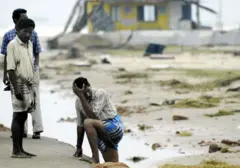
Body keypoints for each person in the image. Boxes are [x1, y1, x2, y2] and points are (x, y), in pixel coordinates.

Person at [1, 8, 43, 139]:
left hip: (32, 72)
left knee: (34, 100)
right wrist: (5, 75)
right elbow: (7, 57)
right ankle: (22, 131)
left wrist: (35, 67)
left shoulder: (32, 34)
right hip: (16, 74)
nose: (25, 20)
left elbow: (37, 51)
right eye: (22, 18)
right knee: (20, 104)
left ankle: (37, 129)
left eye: (26, 17)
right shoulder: (9, 36)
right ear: (15, 20)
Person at [72, 77, 124, 164]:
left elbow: (93, 115)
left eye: (87, 90)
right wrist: (78, 147)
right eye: (83, 93)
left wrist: (82, 95)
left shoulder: (100, 93)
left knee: (88, 122)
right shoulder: (78, 102)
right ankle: (108, 151)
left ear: (89, 86)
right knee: (112, 164)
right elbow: (80, 126)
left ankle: (95, 158)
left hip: (114, 126)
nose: (87, 94)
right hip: (100, 132)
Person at [7, 18, 38, 158]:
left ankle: (21, 148)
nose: (28, 35)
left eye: (30, 32)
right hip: (18, 83)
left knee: (24, 115)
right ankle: (15, 150)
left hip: (29, 84)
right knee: (18, 116)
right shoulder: (12, 45)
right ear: (18, 30)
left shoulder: (29, 44)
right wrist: (16, 89)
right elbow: (11, 70)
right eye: (25, 32)